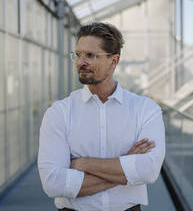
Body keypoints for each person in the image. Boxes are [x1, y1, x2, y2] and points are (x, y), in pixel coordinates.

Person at [38, 22, 165, 211]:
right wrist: (127, 166)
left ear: (114, 61)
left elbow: (148, 170)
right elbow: (53, 183)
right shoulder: (59, 112)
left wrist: (84, 164)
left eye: (90, 55)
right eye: (78, 54)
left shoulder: (145, 109)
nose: (81, 62)